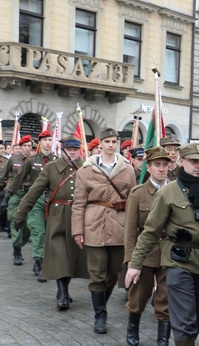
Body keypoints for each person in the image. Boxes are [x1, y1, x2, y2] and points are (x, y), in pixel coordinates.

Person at [125, 143, 199, 346]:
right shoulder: (168, 192)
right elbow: (150, 232)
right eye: (193, 161)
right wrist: (134, 264)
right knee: (184, 318)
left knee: (197, 317)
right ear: (181, 162)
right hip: (178, 261)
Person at [71, 127, 136, 334]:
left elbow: (133, 200)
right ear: (100, 145)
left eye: (113, 141)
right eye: (107, 141)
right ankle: (100, 314)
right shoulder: (86, 170)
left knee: (113, 273)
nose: (110, 145)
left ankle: (102, 304)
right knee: (97, 273)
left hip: (119, 225)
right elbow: (79, 202)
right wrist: (77, 230)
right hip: (94, 225)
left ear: (117, 143)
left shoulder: (127, 168)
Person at [13, 136, 89, 310]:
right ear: (62, 150)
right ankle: (62, 293)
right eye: (68, 149)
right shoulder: (51, 168)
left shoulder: (86, 168)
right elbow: (34, 191)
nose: (72, 153)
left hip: (78, 217)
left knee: (72, 257)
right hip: (57, 216)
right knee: (60, 254)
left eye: (75, 150)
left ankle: (64, 288)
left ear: (79, 150)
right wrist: (20, 213)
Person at [124, 146, 172, 346]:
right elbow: (130, 230)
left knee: (166, 297)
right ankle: (132, 329)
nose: (161, 169)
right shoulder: (138, 194)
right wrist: (130, 261)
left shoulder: (176, 191)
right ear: (149, 167)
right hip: (145, 253)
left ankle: (163, 339)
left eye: (165, 165)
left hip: (169, 252)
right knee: (138, 296)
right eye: (157, 165)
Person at [7, 130, 56, 280]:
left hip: (52, 202)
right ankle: (38, 261)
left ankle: (44, 259)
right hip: (35, 200)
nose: (48, 142)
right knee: (38, 231)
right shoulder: (31, 160)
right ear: (40, 143)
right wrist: (7, 196)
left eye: (50, 140)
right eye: (45, 140)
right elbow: (18, 178)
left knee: (48, 233)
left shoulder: (57, 160)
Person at [0, 136, 33, 243]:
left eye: (29, 146)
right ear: (20, 147)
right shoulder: (13, 159)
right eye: (25, 146)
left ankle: (23, 239)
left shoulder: (35, 160)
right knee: (14, 220)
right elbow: (2, 176)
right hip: (15, 192)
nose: (27, 148)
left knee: (28, 223)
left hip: (30, 194)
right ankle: (17, 250)